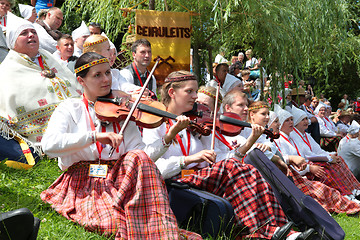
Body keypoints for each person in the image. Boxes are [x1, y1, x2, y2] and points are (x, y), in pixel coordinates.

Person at [40, 52, 200, 239]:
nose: (106, 79)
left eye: (108, 73)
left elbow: (142, 156)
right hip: (83, 179)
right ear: (81, 81)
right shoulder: (70, 108)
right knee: (114, 224)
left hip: (118, 179)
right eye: (97, 75)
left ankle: (162, 227)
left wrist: (168, 136)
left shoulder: (123, 110)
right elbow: (49, 146)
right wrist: (95, 137)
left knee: (138, 157)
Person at [142, 71, 312, 240]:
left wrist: (249, 141)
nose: (195, 96)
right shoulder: (156, 122)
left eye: (195, 91)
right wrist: (187, 159)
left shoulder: (193, 125)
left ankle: (279, 229)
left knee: (248, 170)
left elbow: (223, 162)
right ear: (172, 92)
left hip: (198, 180)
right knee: (235, 168)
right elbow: (152, 168)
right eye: (189, 91)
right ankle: (266, 231)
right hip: (175, 184)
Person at [0, 12, 81, 157]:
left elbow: (69, 81)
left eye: (33, 32)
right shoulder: (8, 68)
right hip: (36, 131)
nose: (31, 35)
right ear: (13, 41)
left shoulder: (46, 55)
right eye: (24, 33)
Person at [272, 106, 360, 214]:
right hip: (300, 172)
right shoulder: (283, 139)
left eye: (292, 119)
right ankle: (344, 198)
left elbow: (315, 151)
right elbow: (299, 157)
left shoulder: (298, 136)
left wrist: (329, 156)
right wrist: (316, 164)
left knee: (337, 161)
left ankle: (351, 191)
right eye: (287, 120)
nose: (291, 122)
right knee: (326, 171)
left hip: (303, 168)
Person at [289, 106, 360, 199]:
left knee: (339, 160)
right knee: (329, 166)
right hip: (307, 164)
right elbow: (307, 155)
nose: (306, 122)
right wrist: (329, 158)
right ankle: (343, 193)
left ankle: (353, 188)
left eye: (306, 119)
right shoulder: (294, 136)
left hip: (314, 159)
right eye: (302, 120)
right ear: (297, 122)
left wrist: (330, 155)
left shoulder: (306, 135)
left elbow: (318, 150)